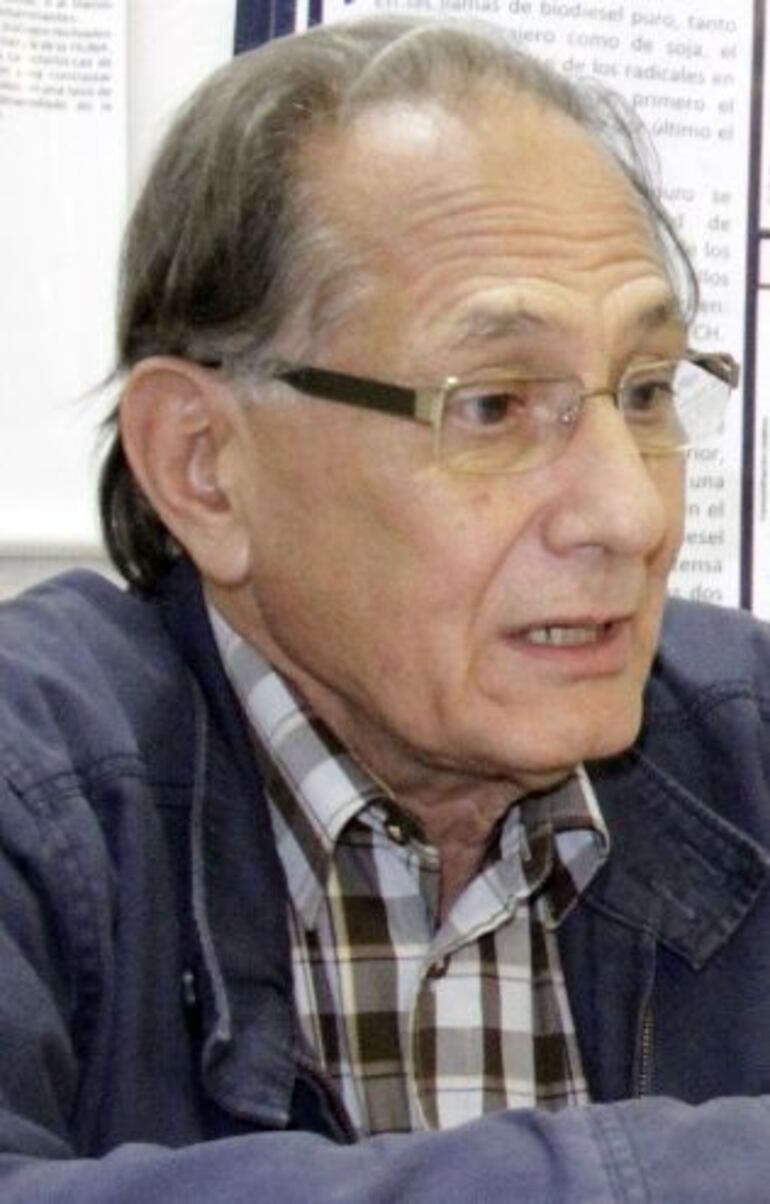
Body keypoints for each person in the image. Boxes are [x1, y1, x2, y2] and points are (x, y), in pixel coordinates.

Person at [1, 14, 770, 1202]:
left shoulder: (748, 747)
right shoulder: (37, 793)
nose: (627, 513)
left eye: (645, 390)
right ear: (203, 465)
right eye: (492, 405)